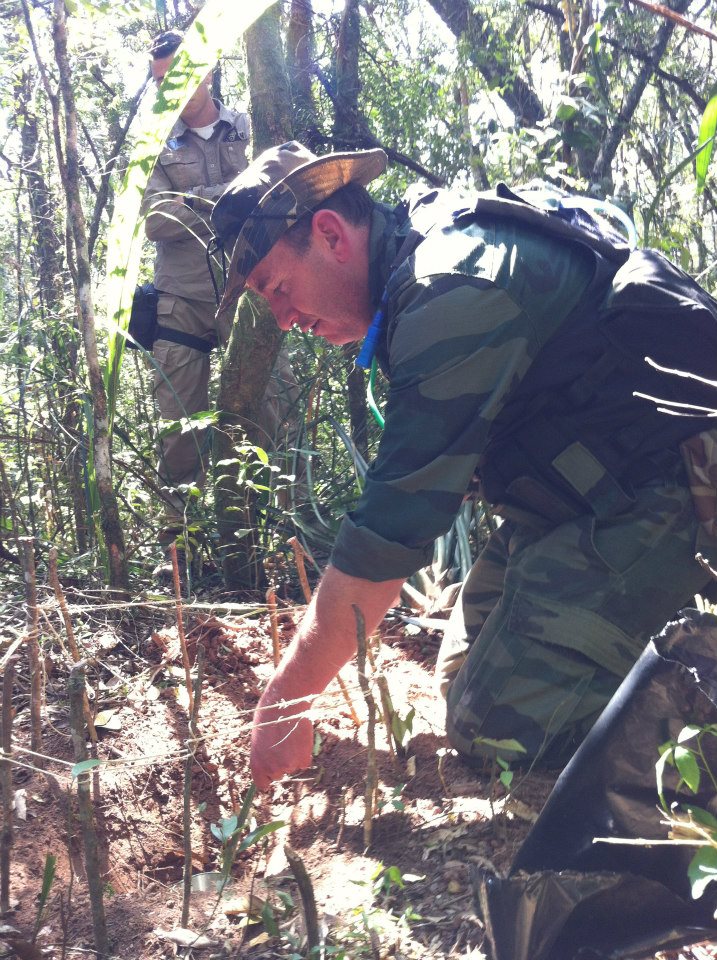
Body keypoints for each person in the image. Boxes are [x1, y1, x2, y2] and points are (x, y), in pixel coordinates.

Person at [208, 141, 717, 790]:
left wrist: (287, 700)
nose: (282, 319)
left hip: (674, 497)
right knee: (459, 686)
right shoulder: (416, 262)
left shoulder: (449, 286)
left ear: (330, 234)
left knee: (500, 727)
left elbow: (390, 534)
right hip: (575, 505)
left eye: (277, 289)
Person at [141, 32, 298, 575]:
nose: (173, 90)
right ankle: (179, 550)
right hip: (180, 300)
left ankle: (279, 536)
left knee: (270, 405)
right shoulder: (153, 144)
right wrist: (233, 195)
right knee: (176, 421)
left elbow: (281, 188)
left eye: (181, 75)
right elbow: (156, 219)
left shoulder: (251, 124)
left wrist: (195, 201)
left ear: (206, 70)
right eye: (162, 81)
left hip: (252, 288)